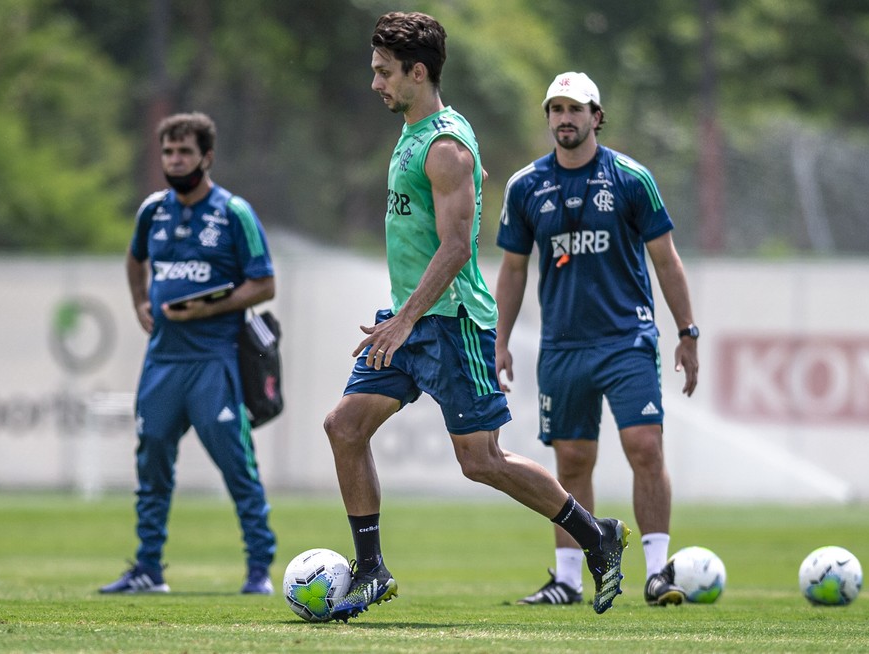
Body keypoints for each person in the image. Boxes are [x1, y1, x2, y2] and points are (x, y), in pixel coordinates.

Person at [323, 13, 631, 622]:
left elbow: (457, 247)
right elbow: (458, 188)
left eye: (384, 73)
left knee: (481, 460)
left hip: (450, 322)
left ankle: (597, 536)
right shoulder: (423, 135)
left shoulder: (445, 148)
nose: (375, 83)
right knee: (344, 428)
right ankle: (371, 569)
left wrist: (405, 320)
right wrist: (402, 318)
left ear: (418, 72)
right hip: (409, 320)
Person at [494, 72, 700, 607]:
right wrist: (500, 340)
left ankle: (658, 574)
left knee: (645, 447)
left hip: (627, 339)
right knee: (572, 460)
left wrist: (687, 331)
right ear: (548, 117)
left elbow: (666, 260)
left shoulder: (631, 178)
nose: (565, 118)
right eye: (556, 109)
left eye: (576, 109)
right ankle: (567, 580)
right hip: (562, 347)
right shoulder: (525, 186)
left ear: (596, 117)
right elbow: (513, 270)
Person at [101, 112, 278, 595]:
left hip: (214, 362)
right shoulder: (152, 211)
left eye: (184, 152)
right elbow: (135, 258)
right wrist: (140, 300)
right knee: (151, 465)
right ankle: (148, 569)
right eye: (168, 152)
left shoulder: (233, 212)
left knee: (236, 466)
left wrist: (209, 307)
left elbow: (264, 284)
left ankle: (259, 569)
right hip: (162, 361)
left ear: (207, 157)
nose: (174, 160)